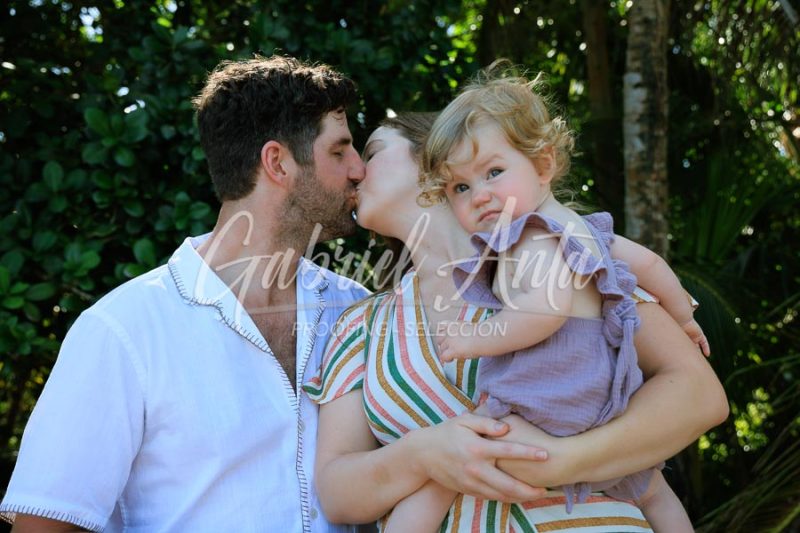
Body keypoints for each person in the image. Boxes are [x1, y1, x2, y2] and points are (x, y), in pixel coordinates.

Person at [304, 111, 728, 532]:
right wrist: (425, 455)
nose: (355, 170)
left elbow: (701, 396)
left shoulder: (556, 253)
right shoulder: (360, 325)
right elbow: (337, 493)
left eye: (373, 151)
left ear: (434, 160)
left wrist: (563, 460)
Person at [0, 55, 370, 532]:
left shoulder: (356, 310)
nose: (360, 169)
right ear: (277, 162)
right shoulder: (123, 330)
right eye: (340, 151)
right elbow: (46, 524)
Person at [384, 70, 701, 532]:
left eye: (493, 172)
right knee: (652, 488)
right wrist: (684, 318)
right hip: (605, 409)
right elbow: (651, 265)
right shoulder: (589, 230)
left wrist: (475, 340)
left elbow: (544, 312)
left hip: (546, 400)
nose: (481, 195)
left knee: (445, 473)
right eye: (460, 187)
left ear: (543, 164)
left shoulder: (532, 236)